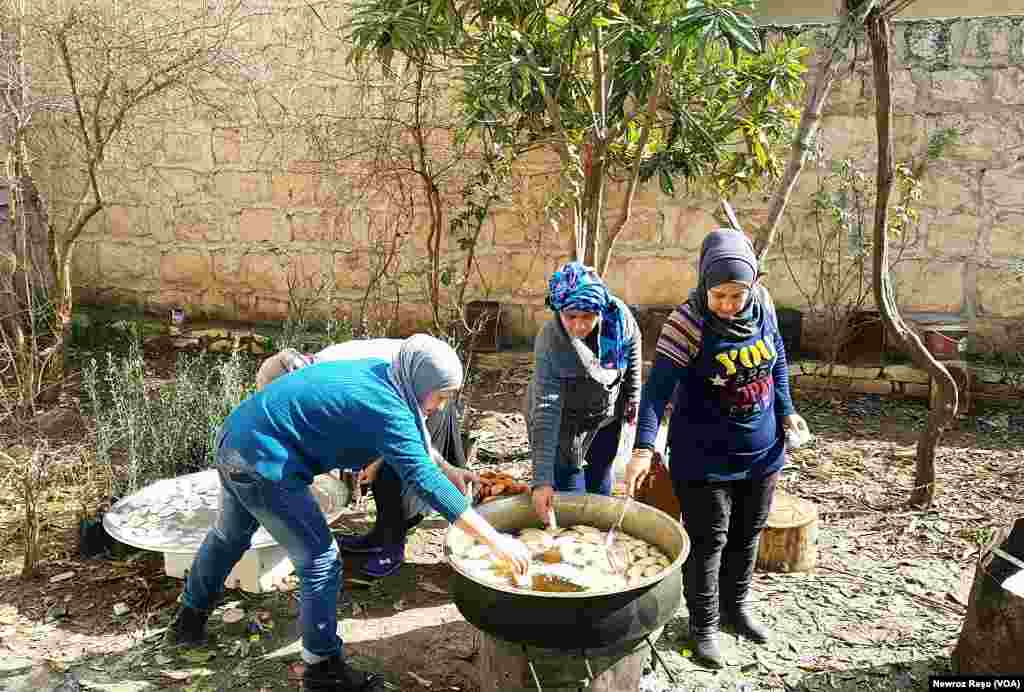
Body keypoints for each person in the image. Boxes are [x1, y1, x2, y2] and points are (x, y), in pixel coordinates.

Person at [166, 335, 530, 692]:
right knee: (320, 558)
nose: (441, 406)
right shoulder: (387, 405)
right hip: (264, 462)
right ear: (421, 383)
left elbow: (414, 439)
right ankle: (323, 669)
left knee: (228, 537)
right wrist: (495, 540)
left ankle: (187, 621)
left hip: (237, 438)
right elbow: (425, 481)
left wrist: (448, 469)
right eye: (441, 396)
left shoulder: (384, 373)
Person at [625, 229, 810, 668]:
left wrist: (787, 410)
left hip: (763, 450)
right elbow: (655, 394)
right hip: (704, 456)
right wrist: (643, 448)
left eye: (737, 294)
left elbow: (777, 357)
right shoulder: (685, 324)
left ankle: (736, 608)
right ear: (704, 284)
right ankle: (703, 626)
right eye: (719, 295)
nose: (729, 304)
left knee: (747, 536)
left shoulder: (761, 304)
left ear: (753, 285)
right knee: (709, 542)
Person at [256, 338, 466, 577]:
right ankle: (379, 537)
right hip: (402, 399)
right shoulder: (317, 375)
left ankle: (392, 548)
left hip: (429, 396)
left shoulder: (338, 374)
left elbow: (408, 441)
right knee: (382, 461)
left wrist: (378, 460)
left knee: (392, 470)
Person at [525, 261, 642, 523]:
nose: (579, 326)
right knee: (570, 500)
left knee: (601, 488)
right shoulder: (551, 341)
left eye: (588, 316)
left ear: (600, 311)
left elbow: (633, 355)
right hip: (564, 425)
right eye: (571, 317)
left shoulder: (620, 320)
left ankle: (601, 551)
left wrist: (633, 398)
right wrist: (541, 480)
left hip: (606, 417)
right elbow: (546, 410)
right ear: (559, 311)